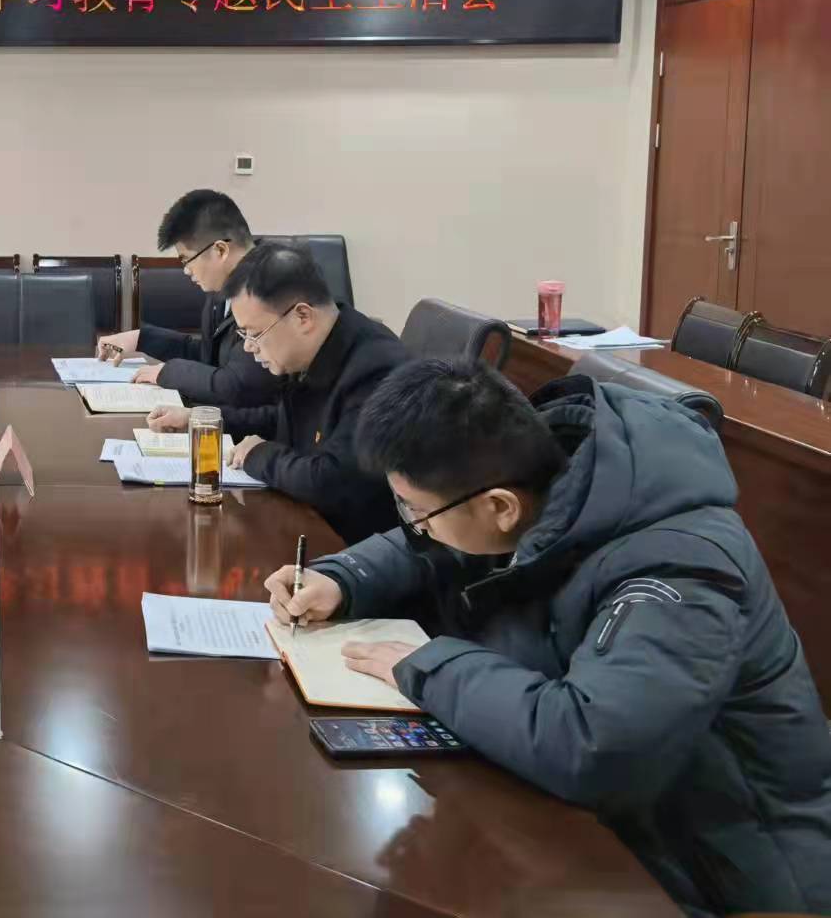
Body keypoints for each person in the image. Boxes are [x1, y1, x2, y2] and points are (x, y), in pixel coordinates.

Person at [267, 359, 831, 917]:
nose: (416, 528)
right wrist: (342, 578)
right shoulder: (542, 476)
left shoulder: (679, 568)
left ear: (500, 507)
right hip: (615, 831)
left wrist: (431, 666)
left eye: (418, 513)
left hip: (731, 874)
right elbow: (440, 542)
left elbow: (594, 748)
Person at [150, 244, 408, 543]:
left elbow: (332, 482)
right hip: (302, 521)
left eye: (254, 333)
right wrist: (206, 420)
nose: (248, 347)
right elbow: (284, 419)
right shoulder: (315, 348)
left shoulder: (376, 371)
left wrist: (259, 455)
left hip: (347, 544)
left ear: (302, 317)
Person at [94, 189, 274, 409]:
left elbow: (237, 386)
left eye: (187, 260)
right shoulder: (222, 285)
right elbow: (209, 357)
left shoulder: (270, 287)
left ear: (220, 250)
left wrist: (169, 372)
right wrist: (140, 338)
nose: (187, 271)